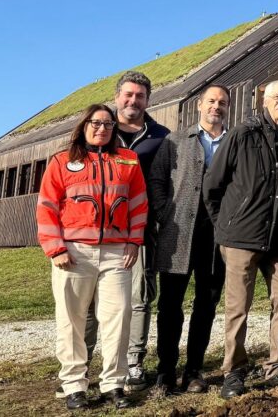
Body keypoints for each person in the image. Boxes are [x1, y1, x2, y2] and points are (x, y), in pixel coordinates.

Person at [203, 79, 278, 399]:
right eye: (277, 97)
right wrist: (224, 226)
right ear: (264, 101)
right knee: (238, 307)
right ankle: (234, 371)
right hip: (241, 236)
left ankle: (277, 366)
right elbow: (213, 185)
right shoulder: (244, 134)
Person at [36, 104, 147, 410]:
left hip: (116, 253)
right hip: (73, 253)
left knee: (119, 317)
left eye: (108, 124)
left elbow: (138, 204)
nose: (102, 129)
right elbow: (47, 206)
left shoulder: (129, 160)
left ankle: (114, 384)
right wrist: (55, 247)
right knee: (70, 321)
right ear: (84, 125)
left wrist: (134, 241)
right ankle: (74, 386)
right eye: (96, 123)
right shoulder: (62, 161)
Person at [149, 85, 231, 395]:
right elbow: (156, 179)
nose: (216, 106)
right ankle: (165, 372)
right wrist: (163, 213)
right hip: (178, 234)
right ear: (200, 106)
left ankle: (194, 370)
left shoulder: (233, 142)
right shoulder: (175, 141)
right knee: (170, 306)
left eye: (222, 102)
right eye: (211, 101)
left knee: (206, 305)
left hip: (216, 236)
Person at [112, 71, 170, 392]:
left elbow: (167, 181)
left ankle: (134, 362)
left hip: (142, 228)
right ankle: (95, 363)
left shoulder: (160, 135)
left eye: (140, 96)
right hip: (100, 229)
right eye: (128, 95)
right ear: (117, 96)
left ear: (149, 100)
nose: (133, 101)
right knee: (96, 299)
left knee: (139, 296)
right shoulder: (99, 129)